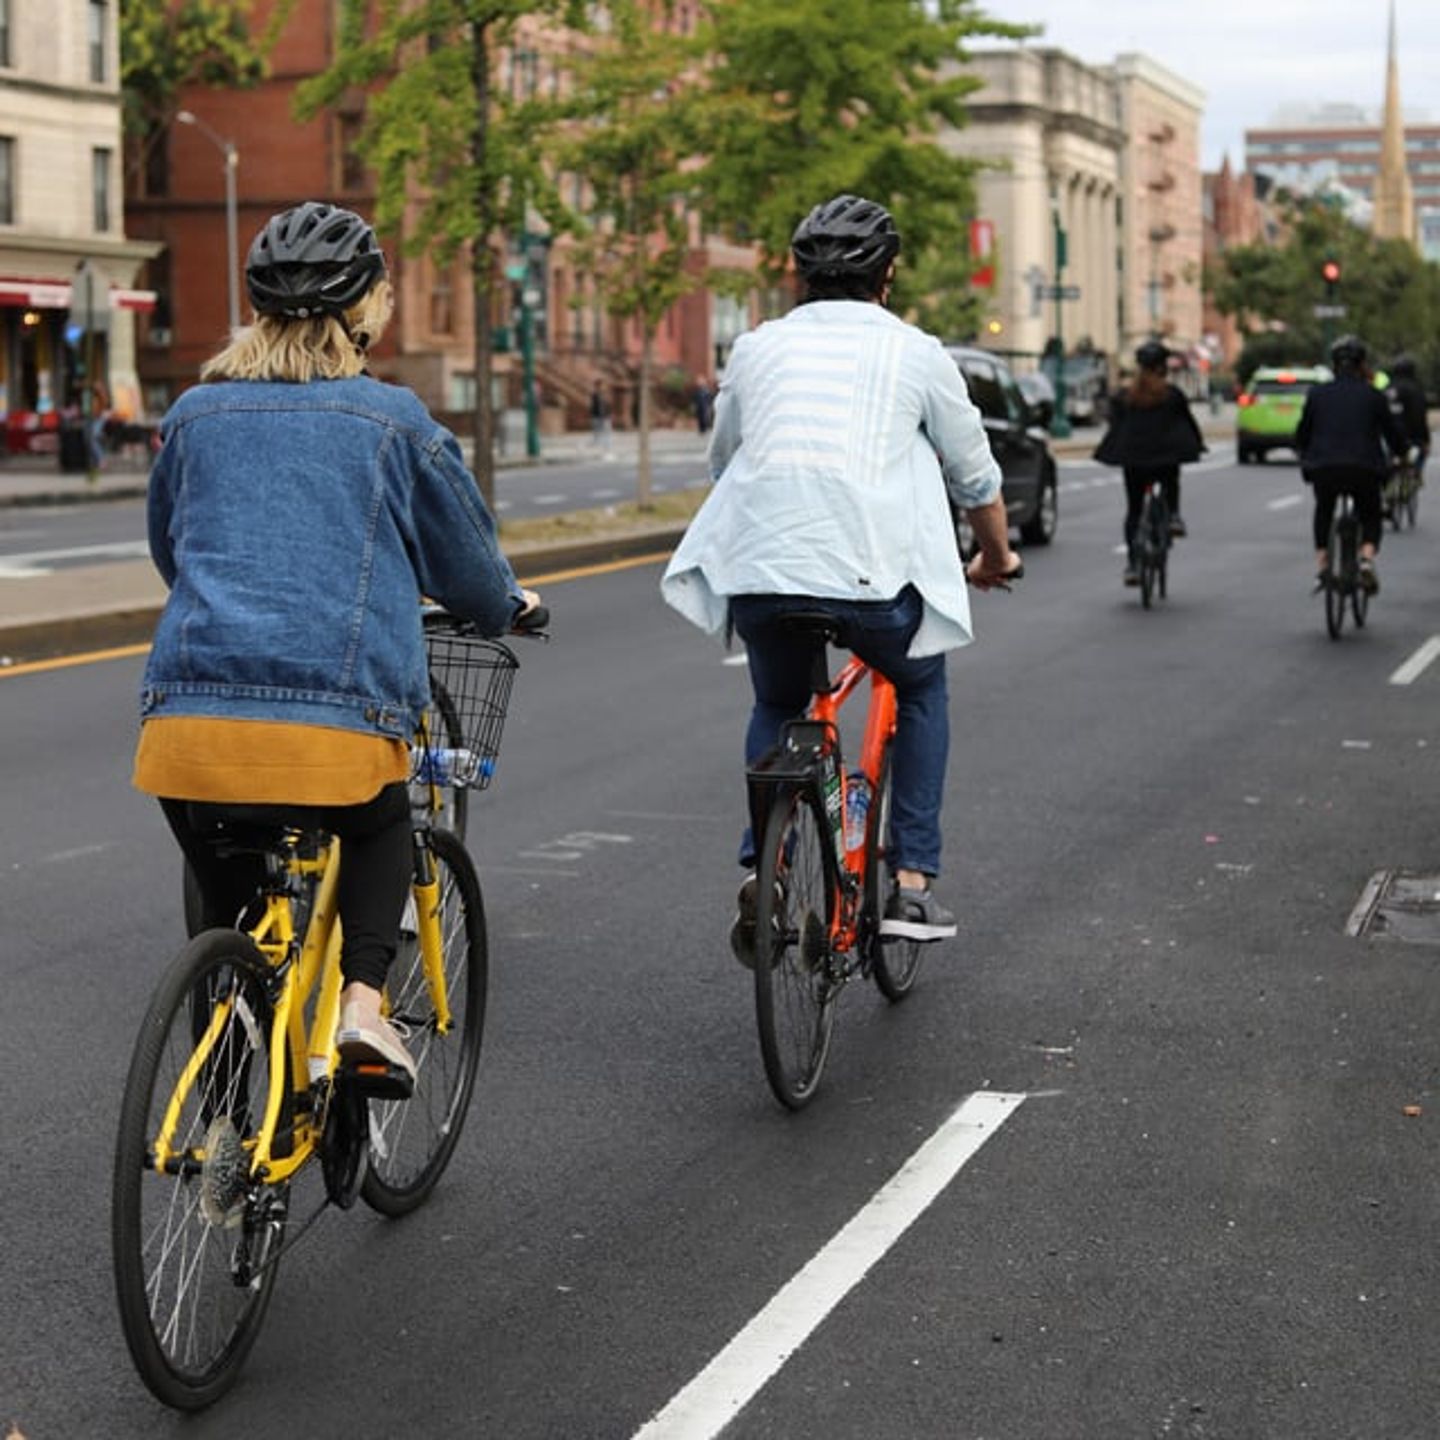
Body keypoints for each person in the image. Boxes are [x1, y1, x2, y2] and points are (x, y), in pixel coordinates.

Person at [133, 201, 541, 1089]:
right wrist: (505, 606)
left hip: (182, 730)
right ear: (365, 309)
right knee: (383, 813)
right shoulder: (393, 419)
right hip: (337, 727)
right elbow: (471, 579)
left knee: (232, 892)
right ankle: (363, 1004)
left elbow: (173, 551)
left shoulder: (196, 414)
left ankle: (235, 1049)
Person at [661, 193, 1020, 962]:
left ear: (799, 277)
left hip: (762, 570)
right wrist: (995, 556)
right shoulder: (917, 352)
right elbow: (974, 475)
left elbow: (724, 460)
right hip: (869, 579)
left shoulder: (755, 349)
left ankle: (769, 863)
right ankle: (914, 882)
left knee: (779, 701)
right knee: (921, 687)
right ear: (887, 274)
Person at [1296, 334, 1408, 595]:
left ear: (1334, 365)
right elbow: (1392, 435)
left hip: (1324, 467)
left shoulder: (1317, 394)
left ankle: (1323, 564)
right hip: (1364, 467)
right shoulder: (1373, 396)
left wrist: (1305, 452)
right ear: (1362, 364)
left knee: (1324, 509)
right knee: (1371, 513)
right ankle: (1366, 558)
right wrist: (1402, 455)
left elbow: (1302, 433)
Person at [1093, 339, 1205, 586]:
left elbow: (1115, 426)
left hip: (1133, 460)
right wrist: (1198, 445)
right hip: (1164, 459)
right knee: (1171, 479)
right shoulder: (1172, 395)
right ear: (1163, 369)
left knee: (1134, 510)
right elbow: (1187, 425)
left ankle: (1133, 565)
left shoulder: (1125, 397)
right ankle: (1174, 515)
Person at [1386, 354, 1430, 476]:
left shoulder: (1388, 388)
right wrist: (1424, 440)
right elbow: (1419, 416)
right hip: (1411, 439)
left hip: (1390, 439)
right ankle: (1415, 476)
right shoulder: (1415, 389)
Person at [590, 380, 613, 455]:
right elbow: (595, 407)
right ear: (597, 386)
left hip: (605, 417)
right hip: (597, 417)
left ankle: (607, 449)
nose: (602, 387)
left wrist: (609, 414)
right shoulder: (595, 395)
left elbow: (608, 406)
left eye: (603, 386)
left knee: (607, 433)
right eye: (600, 386)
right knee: (597, 433)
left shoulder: (605, 395)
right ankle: (597, 448)